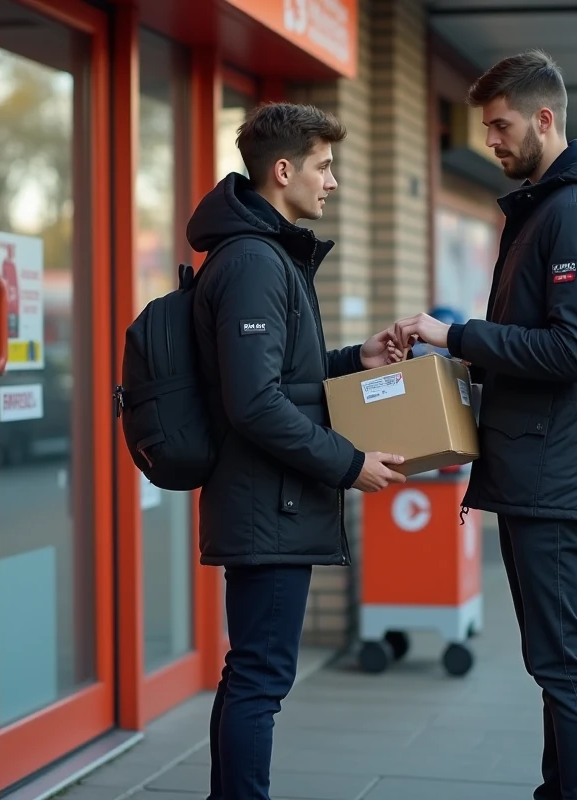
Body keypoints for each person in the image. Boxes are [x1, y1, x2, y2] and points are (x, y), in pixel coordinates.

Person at [392, 50, 577, 800]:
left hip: (558, 472)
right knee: (553, 661)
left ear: (545, 119)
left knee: (564, 663)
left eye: (501, 126)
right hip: (544, 464)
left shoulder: (572, 214)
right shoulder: (550, 209)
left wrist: (457, 336)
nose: (491, 142)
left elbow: (569, 351)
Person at [188, 102, 407, 800]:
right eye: (324, 166)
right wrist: (350, 465)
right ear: (283, 171)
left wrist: (353, 358)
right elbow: (253, 403)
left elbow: (277, 377)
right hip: (267, 505)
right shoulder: (254, 260)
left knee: (256, 673)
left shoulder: (264, 253)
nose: (333, 182)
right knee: (259, 677)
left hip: (270, 500)